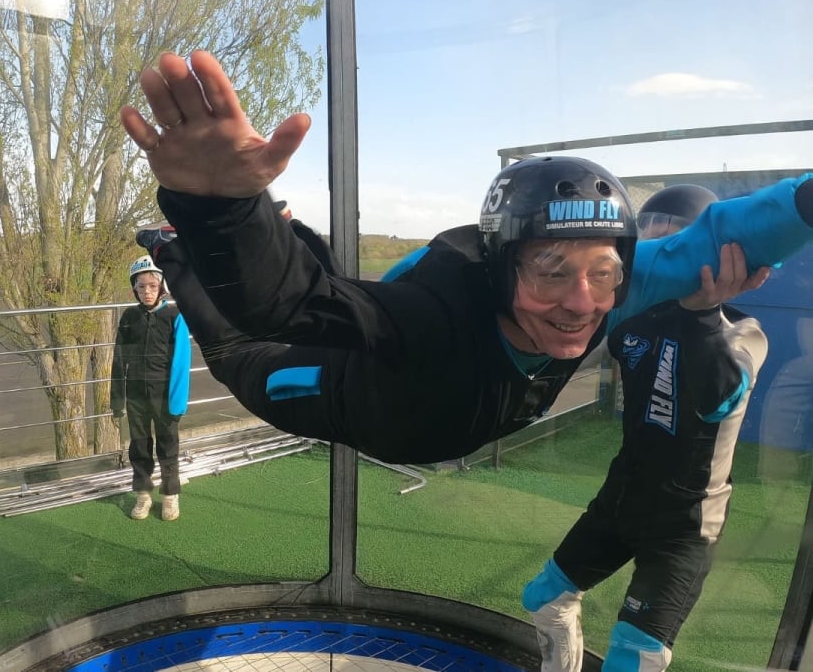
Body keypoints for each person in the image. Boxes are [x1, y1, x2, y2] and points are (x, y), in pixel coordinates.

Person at [118, 49, 813, 466]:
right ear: (503, 268)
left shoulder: (615, 288)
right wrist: (221, 208)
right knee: (241, 347)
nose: (580, 304)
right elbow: (281, 304)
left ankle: (277, 225)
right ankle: (172, 246)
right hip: (343, 391)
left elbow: (717, 235)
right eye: (551, 273)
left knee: (327, 281)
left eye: (602, 273)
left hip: (421, 382)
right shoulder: (433, 317)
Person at [521, 184, 769, 671]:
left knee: (635, 658)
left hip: (684, 523)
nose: (663, 255)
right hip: (620, 498)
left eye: (676, 241)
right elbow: (563, 353)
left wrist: (701, 314)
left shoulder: (743, 330)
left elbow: (718, 397)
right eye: (652, 239)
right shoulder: (633, 318)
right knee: (544, 600)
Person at [111, 255, 192, 521]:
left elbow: (182, 361)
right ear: (134, 288)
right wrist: (117, 400)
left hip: (165, 395)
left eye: (152, 286)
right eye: (141, 286)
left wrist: (177, 402)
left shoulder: (175, 316)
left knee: (168, 446)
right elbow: (118, 359)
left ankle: (170, 496)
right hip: (136, 395)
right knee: (139, 446)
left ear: (162, 287)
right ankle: (143, 495)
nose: (146, 291)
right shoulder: (129, 317)